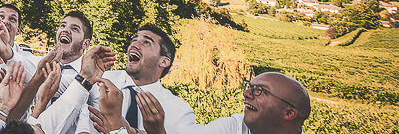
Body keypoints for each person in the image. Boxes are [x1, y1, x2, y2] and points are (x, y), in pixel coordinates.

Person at [76, 25, 196, 134]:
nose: (134, 45)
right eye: (134, 40)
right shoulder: (99, 80)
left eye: (146, 43)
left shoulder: (180, 111)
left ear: (163, 61)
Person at [130, 72, 311, 134]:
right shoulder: (234, 126)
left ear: (289, 113)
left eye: (259, 91)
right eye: (249, 87)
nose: (246, 94)